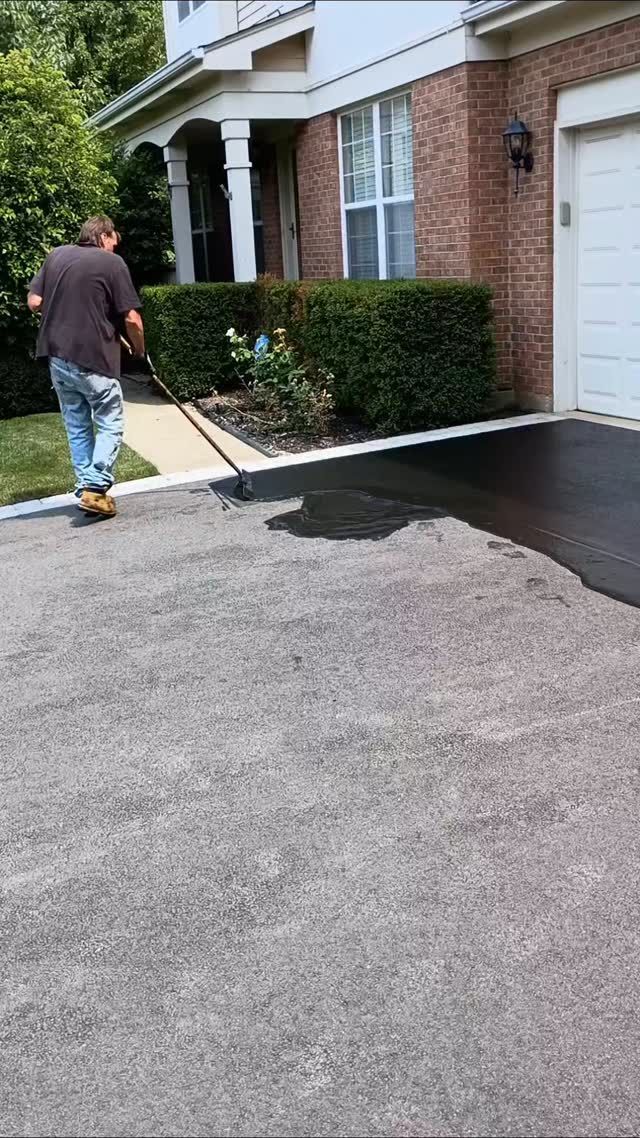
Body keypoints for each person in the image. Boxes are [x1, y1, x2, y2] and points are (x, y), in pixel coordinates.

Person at [27, 215, 145, 518]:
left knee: (77, 424)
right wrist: (140, 352)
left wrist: (66, 308)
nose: (115, 249)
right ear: (104, 236)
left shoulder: (56, 255)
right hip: (93, 357)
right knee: (110, 420)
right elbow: (132, 319)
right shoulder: (111, 263)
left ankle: (88, 491)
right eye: (114, 243)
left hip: (57, 356)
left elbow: (35, 301)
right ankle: (95, 486)